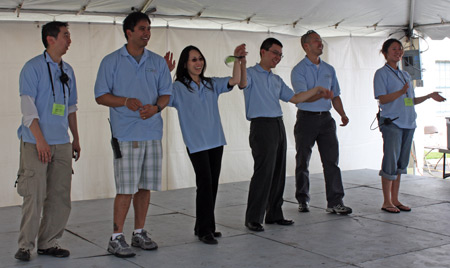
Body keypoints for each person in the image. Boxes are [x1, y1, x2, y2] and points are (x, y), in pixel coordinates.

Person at [94, 12, 172, 258]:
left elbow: (166, 94)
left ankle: (139, 232)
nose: (147, 33)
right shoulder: (111, 61)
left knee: (145, 186)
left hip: (152, 132)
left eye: (149, 28)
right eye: (142, 28)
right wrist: (124, 101)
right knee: (126, 188)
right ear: (129, 32)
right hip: (126, 135)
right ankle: (116, 237)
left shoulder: (157, 62)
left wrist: (156, 107)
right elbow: (100, 96)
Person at [239, 37, 333, 232]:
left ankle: (274, 213)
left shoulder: (276, 79)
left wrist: (316, 91)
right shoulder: (250, 74)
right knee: (263, 172)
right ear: (263, 52)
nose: (278, 57)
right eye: (275, 53)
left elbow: (295, 98)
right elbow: (240, 82)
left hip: (277, 124)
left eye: (280, 55)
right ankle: (253, 218)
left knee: (278, 172)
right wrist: (240, 60)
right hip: (261, 125)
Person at [14, 21, 80, 261]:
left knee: (60, 194)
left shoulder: (68, 70)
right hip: (35, 142)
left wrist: (75, 139)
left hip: (61, 141)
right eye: (66, 35)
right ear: (50, 39)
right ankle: (25, 246)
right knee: (34, 193)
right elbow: (28, 110)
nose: (69, 40)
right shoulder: (32, 68)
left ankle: (49, 242)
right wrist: (40, 141)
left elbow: (71, 107)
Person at [168, 44, 246, 244]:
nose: (198, 63)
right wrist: (164, 72)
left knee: (212, 185)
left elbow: (235, 80)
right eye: (193, 59)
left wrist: (237, 58)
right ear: (185, 64)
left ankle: (204, 225)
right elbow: (160, 94)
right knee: (204, 185)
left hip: (215, 140)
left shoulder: (210, 84)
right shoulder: (178, 87)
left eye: (200, 58)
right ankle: (204, 230)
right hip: (196, 143)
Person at [374, 39, 445, 213]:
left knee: (400, 164)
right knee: (390, 161)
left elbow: (410, 101)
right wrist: (399, 91)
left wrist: (428, 96)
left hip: (408, 123)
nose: (398, 52)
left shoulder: (405, 75)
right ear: (385, 52)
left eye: (400, 49)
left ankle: (396, 199)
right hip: (392, 122)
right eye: (394, 49)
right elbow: (382, 98)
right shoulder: (381, 73)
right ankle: (386, 201)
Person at [291, 30, 353, 215]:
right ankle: (303, 200)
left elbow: (336, 95)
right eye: (316, 41)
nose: (320, 44)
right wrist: (319, 93)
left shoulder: (329, 69)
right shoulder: (298, 70)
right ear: (306, 46)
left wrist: (342, 114)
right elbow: (301, 98)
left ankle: (335, 202)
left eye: (321, 41)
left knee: (332, 161)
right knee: (303, 161)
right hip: (306, 119)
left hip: (326, 119)